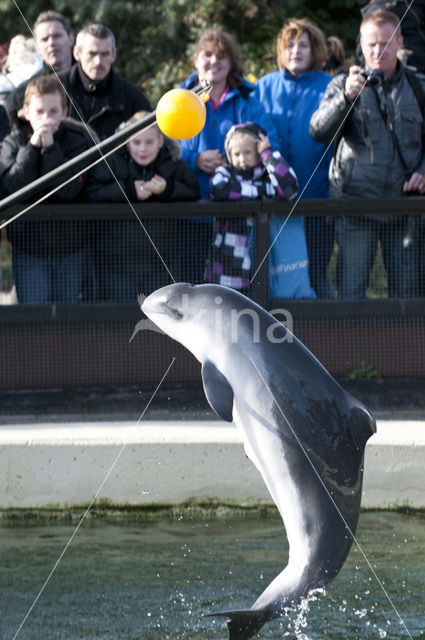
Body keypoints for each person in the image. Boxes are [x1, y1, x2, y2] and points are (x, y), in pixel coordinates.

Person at [309, 9, 425, 299]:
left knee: (408, 298)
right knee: (350, 294)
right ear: (360, 44)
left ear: (400, 42)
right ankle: (349, 346)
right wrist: (345, 99)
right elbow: (317, 132)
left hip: (404, 208)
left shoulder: (419, 86)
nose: (379, 51)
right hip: (355, 207)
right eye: (371, 44)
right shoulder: (341, 84)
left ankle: (405, 347)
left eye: (386, 43)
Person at [254, 17, 335, 298]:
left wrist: (331, 200)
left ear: (315, 51)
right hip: (270, 207)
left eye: (302, 45)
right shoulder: (262, 87)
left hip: (316, 201)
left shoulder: (330, 86)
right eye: (289, 45)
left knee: (315, 276)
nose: (295, 51)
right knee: (273, 280)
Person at [0, 75, 97, 304]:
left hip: (71, 248)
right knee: (35, 315)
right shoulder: (13, 143)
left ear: (64, 112)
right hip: (28, 249)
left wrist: (50, 148)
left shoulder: (77, 141)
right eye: (40, 111)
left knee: (68, 315)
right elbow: (13, 188)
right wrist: (33, 147)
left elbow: (68, 190)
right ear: (25, 111)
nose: (46, 119)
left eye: (53, 111)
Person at [85, 112, 200, 300]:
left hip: (159, 262)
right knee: (118, 318)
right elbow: (92, 193)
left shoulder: (172, 162)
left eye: (149, 142)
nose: (142, 149)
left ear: (160, 141)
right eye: (136, 142)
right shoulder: (111, 161)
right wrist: (128, 190)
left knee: (158, 321)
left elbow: (193, 191)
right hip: (116, 262)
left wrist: (167, 189)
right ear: (127, 141)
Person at [206, 121, 315, 299]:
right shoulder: (225, 173)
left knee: (257, 315)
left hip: (261, 262)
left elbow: (289, 188)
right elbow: (219, 189)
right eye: (236, 154)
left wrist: (268, 153)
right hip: (227, 264)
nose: (242, 159)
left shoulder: (267, 174)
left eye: (248, 152)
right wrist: (260, 192)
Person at [180, 28, 279, 200]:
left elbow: (271, 147)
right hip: (187, 205)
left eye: (221, 56)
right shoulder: (178, 102)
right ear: (195, 60)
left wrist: (235, 162)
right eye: (208, 54)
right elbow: (162, 147)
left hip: (237, 209)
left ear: (231, 62)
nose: (214, 61)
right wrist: (195, 160)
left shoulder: (250, 104)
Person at [58, 23, 151, 140]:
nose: (98, 61)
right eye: (92, 54)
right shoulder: (55, 88)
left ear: (114, 55)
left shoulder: (133, 98)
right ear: (77, 53)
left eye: (105, 54)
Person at [6, 11, 74, 126]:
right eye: (44, 39)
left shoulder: (95, 81)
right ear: (37, 46)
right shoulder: (19, 96)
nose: (51, 43)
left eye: (57, 36)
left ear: (71, 38)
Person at [358, 0, 425, 73]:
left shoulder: (417, 5)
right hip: (378, 74)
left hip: (418, 67)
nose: (377, 50)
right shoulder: (374, 9)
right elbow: (362, 47)